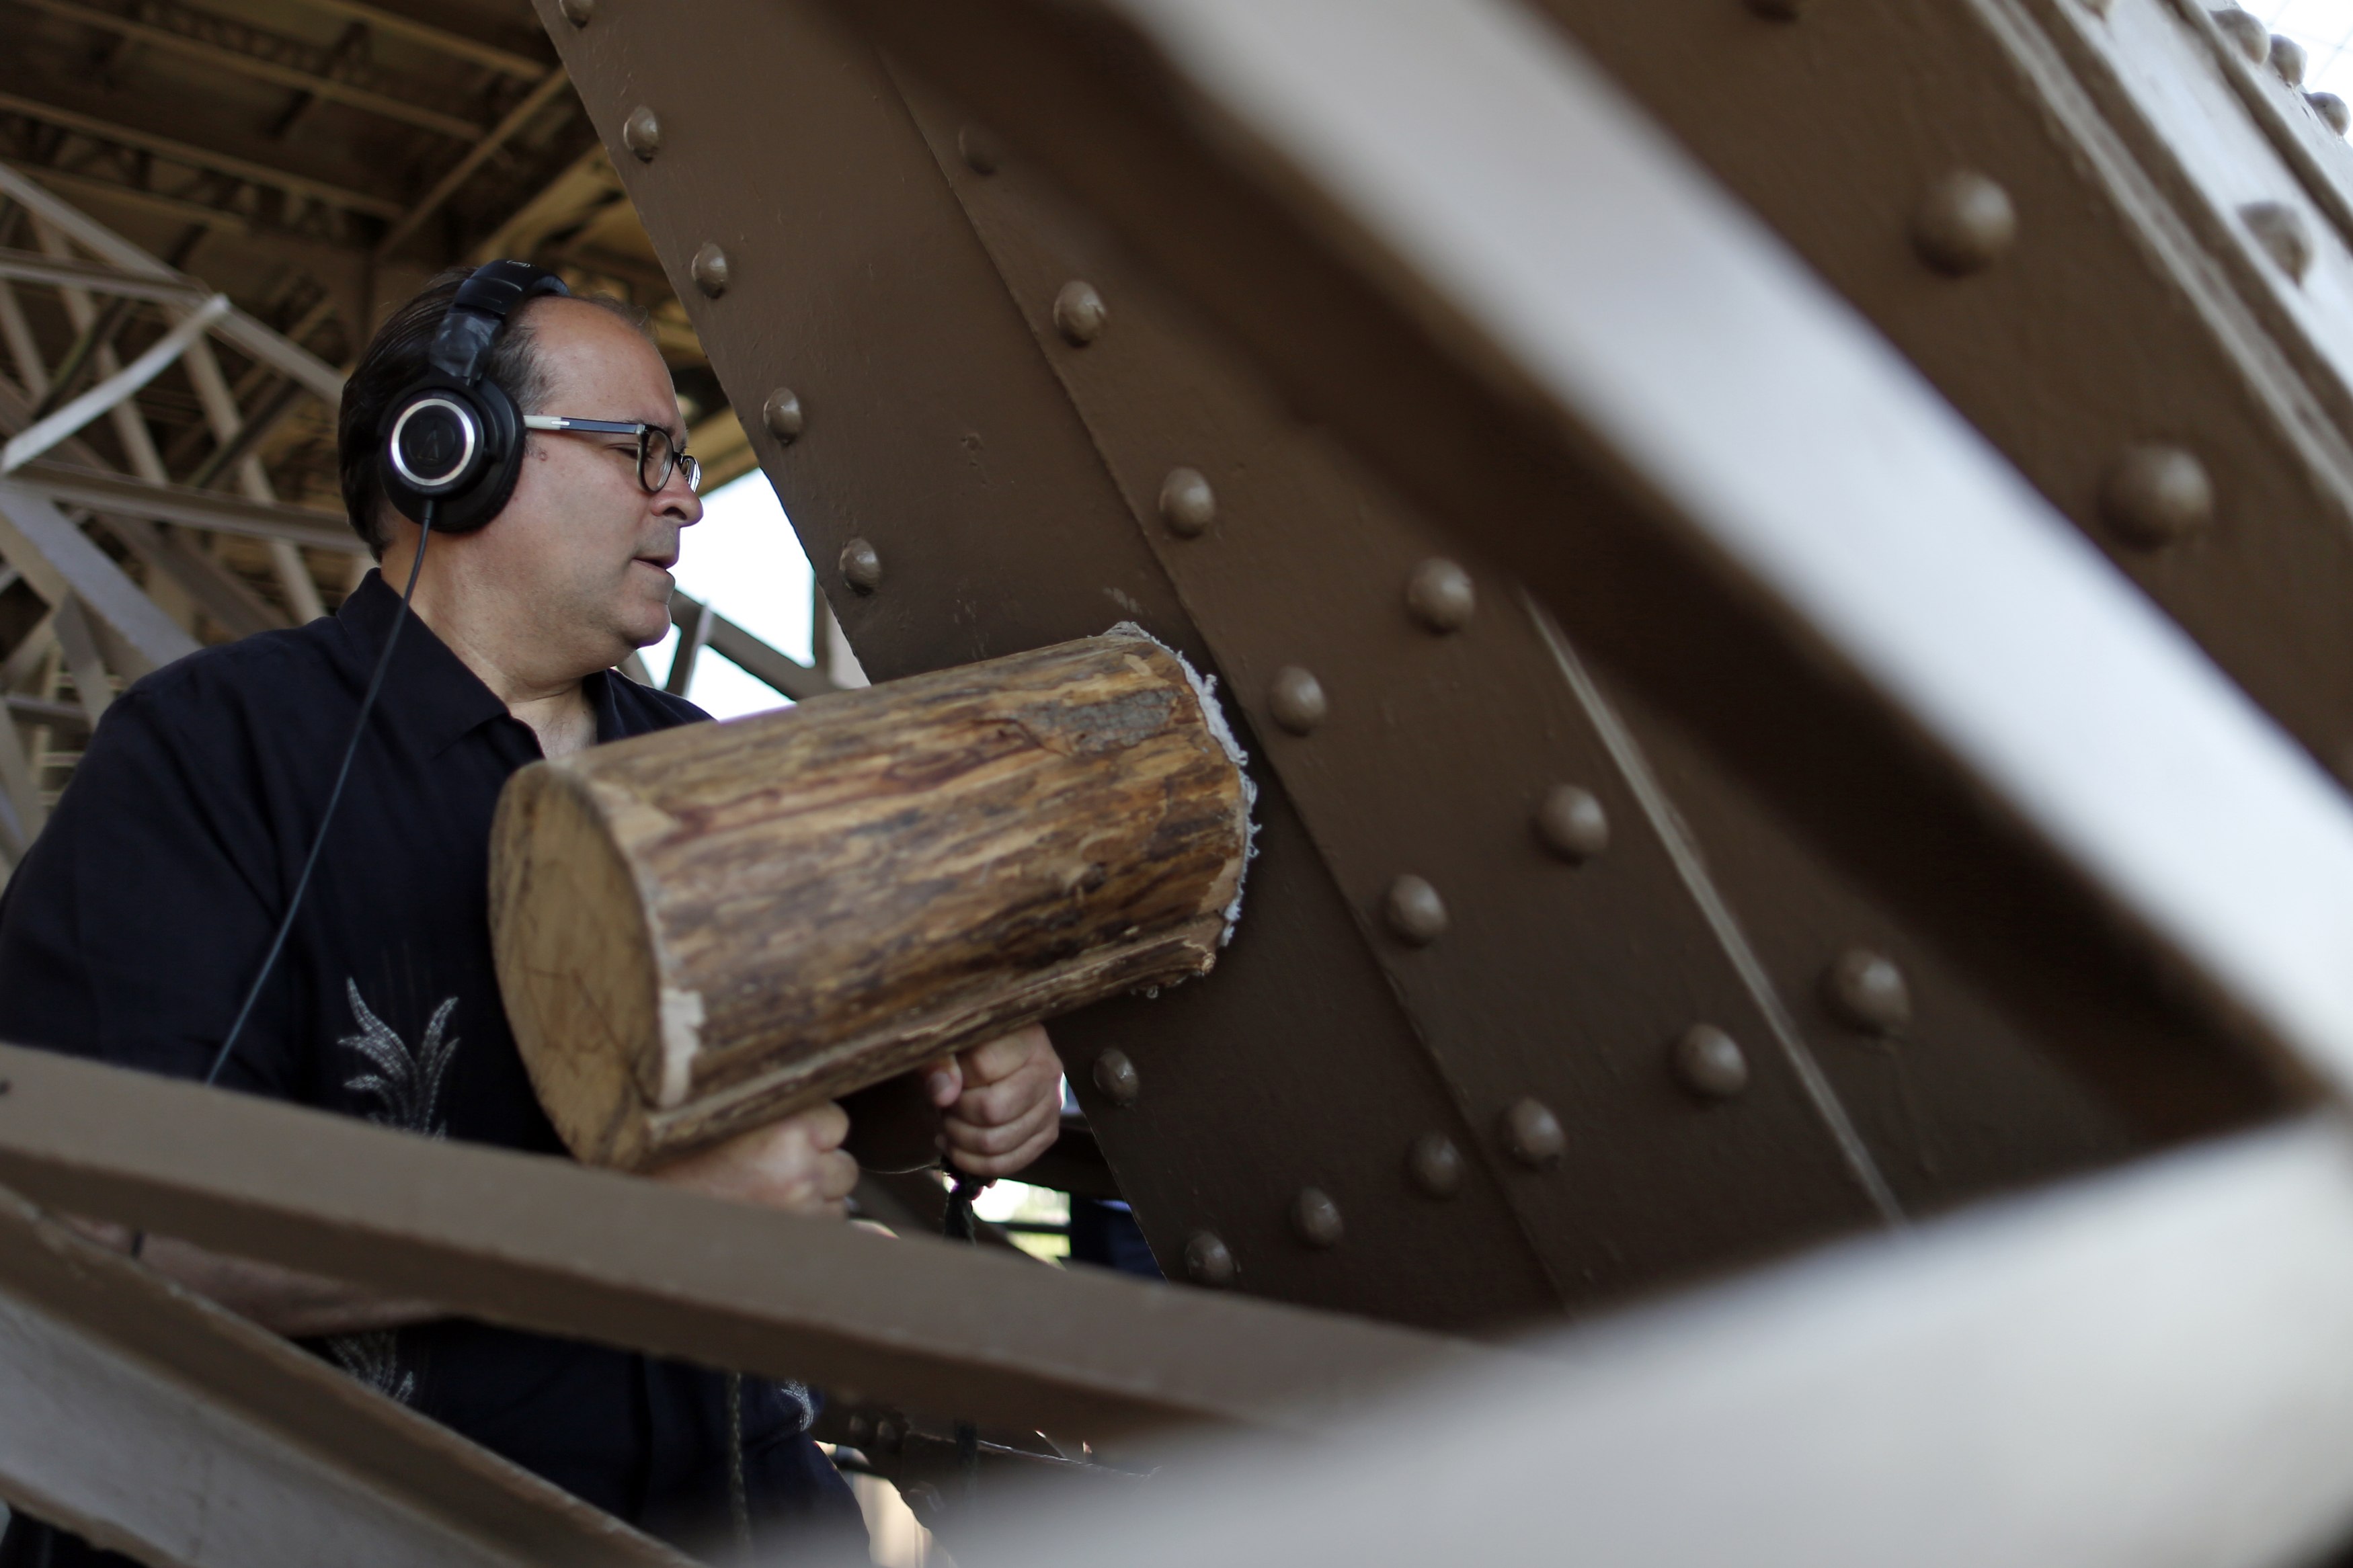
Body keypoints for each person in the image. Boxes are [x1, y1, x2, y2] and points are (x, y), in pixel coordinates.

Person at [0, 265, 1068, 1563]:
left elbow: (843, 1082)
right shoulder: (205, 756)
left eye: (685, 459)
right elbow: (94, 1230)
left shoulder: (720, 767)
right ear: (455, 453)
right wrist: (617, 1224)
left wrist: (960, 1075)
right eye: (642, 451)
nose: (686, 494)